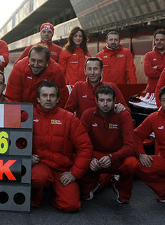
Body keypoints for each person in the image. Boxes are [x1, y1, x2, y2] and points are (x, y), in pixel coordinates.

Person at [30, 81, 92, 212]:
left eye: (52, 95)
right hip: (40, 166)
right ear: (38, 98)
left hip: (62, 170)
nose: (48, 99)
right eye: (44, 95)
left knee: (71, 205)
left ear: (58, 99)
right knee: (39, 177)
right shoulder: (28, 116)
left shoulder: (70, 119)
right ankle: (37, 197)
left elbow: (85, 148)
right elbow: (17, 142)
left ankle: (53, 195)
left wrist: (74, 173)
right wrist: (27, 158)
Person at [78, 85, 138, 204]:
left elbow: (130, 146)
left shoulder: (123, 115)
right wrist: (91, 157)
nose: (105, 104)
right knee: (79, 159)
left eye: (109, 100)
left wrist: (112, 157)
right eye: (101, 100)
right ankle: (100, 182)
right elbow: (81, 143)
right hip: (96, 156)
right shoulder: (87, 115)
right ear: (96, 101)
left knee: (132, 164)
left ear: (115, 101)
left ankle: (122, 189)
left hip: (117, 157)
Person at [143, 29, 165, 93]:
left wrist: (158, 67)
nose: (159, 42)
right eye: (157, 40)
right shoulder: (149, 55)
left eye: (162, 40)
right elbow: (148, 72)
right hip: (152, 91)